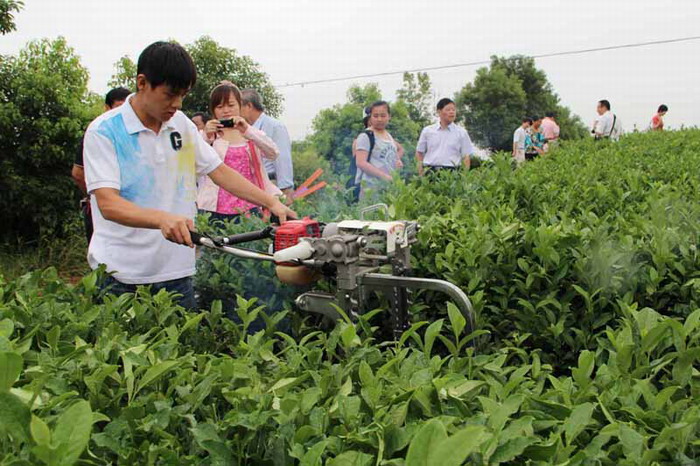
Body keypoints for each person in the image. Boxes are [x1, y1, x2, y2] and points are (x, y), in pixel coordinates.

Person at [83, 41, 294, 309]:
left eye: (182, 95)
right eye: (170, 94)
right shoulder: (105, 131)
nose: (177, 104)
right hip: (121, 274)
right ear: (142, 83)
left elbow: (219, 171)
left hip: (177, 272)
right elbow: (108, 204)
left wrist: (271, 202)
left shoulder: (180, 125)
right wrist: (162, 219)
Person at [197, 82, 282, 224]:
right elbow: (193, 160)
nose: (226, 111)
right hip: (214, 208)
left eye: (231, 105)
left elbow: (273, 153)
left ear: (239, 106)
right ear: (213, 110)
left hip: (250, 206)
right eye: (220, 107)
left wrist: (247, 130)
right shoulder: (209, 136)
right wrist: (206, 136)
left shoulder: (250, 134)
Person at [72, 87, 130, 242]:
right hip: (105, 207)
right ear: (107, 108)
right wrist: (96, 195)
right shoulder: (99, 132)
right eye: (118, 107)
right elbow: (78, 173)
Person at [240, 89, 295, 200]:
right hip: (250, 185)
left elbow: (282, 159)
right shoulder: (243, 129)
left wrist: (286, 189)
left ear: (249, 106)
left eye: (238, 106)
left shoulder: (274, 126)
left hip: (271, 184)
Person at [354, 101, 403, 199]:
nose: (379, 119)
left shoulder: (389, 136)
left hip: (388, 188)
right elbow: (361, 163)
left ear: (389, 116)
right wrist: (385, 177)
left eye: (383, 116)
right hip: (370, 189)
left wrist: (397, 161)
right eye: (375, 116)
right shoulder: (366, 136)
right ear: (370, 117)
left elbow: (391, 155)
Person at [416, 98, 475, 175]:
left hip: (452, 173)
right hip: (430, 171)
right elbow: (419, 152)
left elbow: (466, 156)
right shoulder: (428, 131)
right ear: (439, 112)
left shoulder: (461, 132)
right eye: (448, 110)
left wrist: (464, 176)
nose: (451, 112)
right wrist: (420, 172)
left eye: (453, 110)